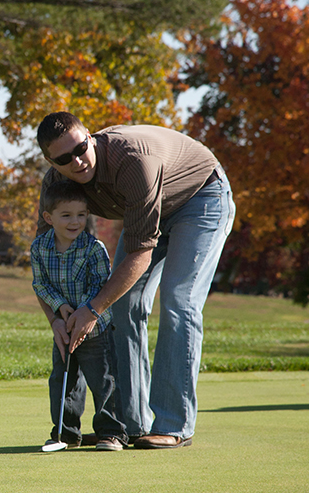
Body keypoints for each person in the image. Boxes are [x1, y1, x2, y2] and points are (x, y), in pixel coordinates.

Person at [34, 111, 235, 449]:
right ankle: (130, 424)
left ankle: (174, 425)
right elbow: (43, 256)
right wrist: (56, 317)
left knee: (178, 300)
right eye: (64, 158)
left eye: (81, 147)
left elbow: (140, 253)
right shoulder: (56, 184)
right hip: (144, 209)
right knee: (123, 303)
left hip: (199, 197)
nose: (78, 161)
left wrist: (92, 309)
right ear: (51, 162)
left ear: (88, 136)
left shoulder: (132, 160)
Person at [31, 180, 129, 452]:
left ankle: (111, 432)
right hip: (63, 329)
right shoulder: (39, 248)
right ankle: (65, 433)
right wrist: (60, 309)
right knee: (63, 380)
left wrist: (79, 317)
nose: (75, 221)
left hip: (96, 331)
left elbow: (99, 286)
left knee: (104, 381)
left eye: (81, 215)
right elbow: (40, 285)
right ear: (49, 218)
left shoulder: (94, 248)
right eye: (66, 215)